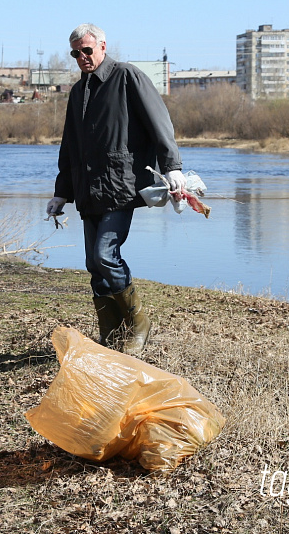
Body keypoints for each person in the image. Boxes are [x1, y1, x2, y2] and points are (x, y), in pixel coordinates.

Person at [47, 23, 186, 356]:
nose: (82, 57)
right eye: (76, 53)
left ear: (103, 47)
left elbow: (159, 122)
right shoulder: (78, 92)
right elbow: (70, 146)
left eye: (87, 50)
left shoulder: (127, 77)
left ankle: (139, 325)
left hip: (121, 187)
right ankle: (110, 338)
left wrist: (173, 167)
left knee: (105, 255)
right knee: (93, 265)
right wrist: (61, 192)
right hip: (87, 191)